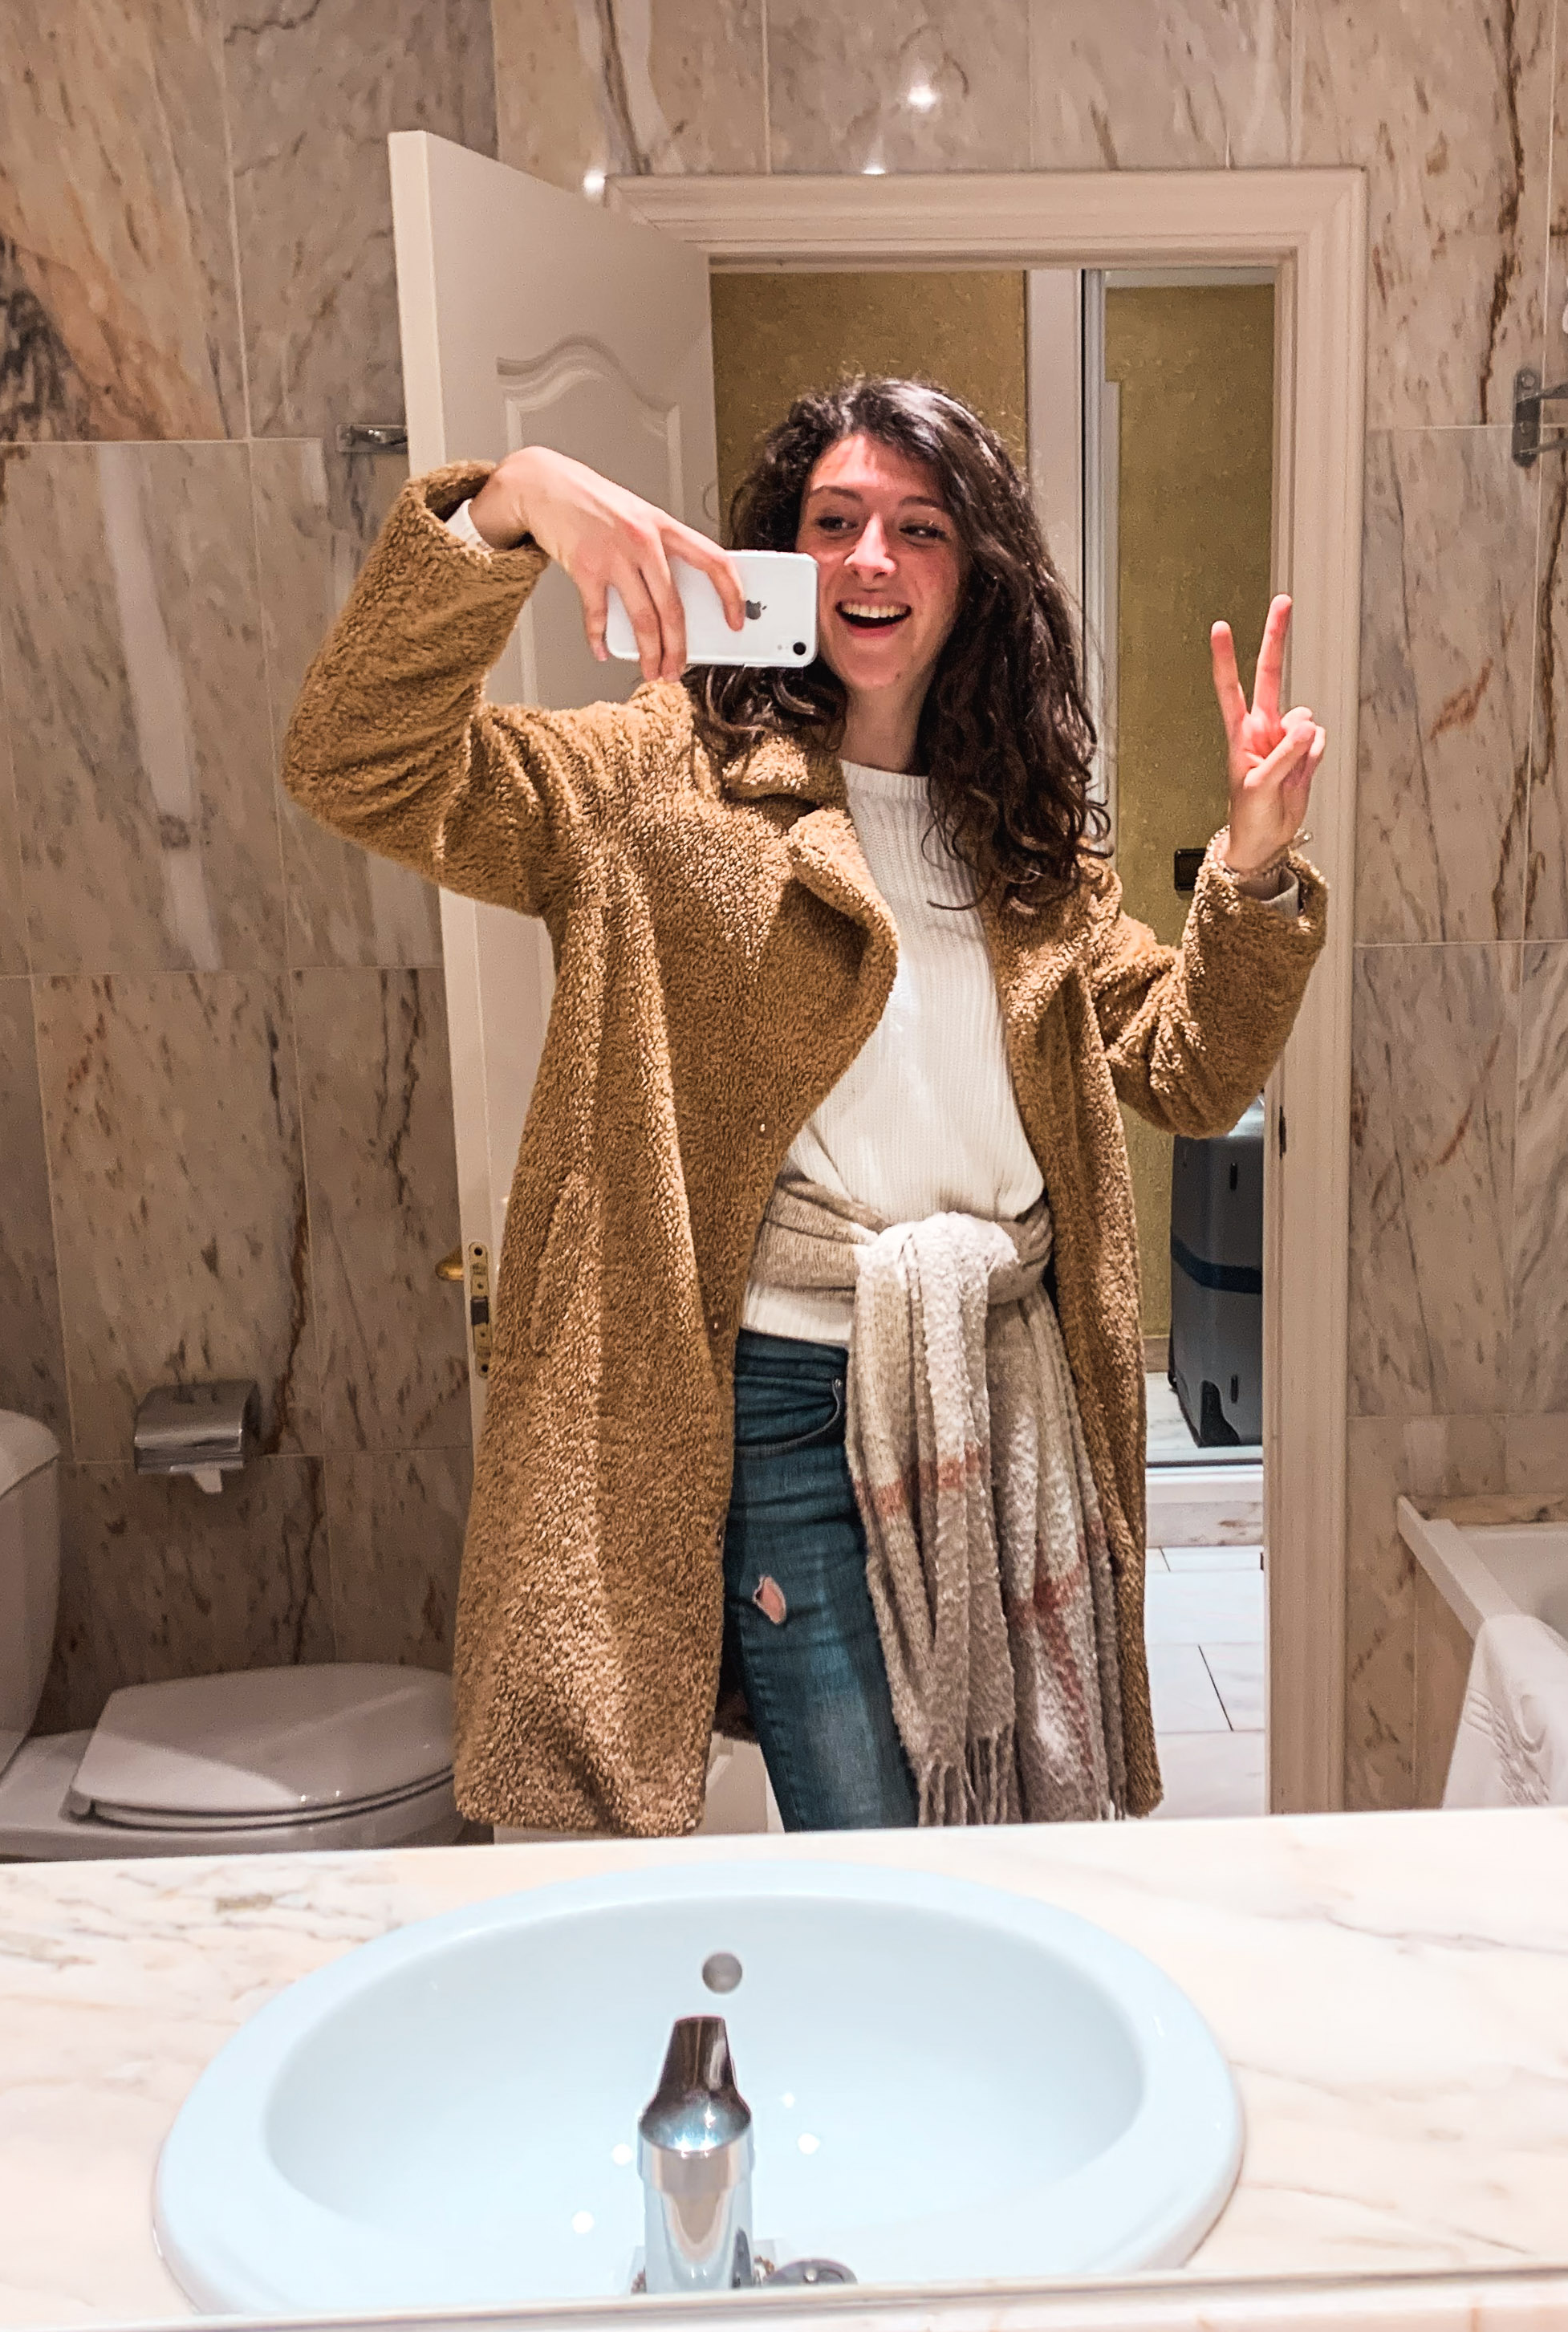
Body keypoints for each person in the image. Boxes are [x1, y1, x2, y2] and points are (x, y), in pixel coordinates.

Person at [285, 376, 1326, 1837]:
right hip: (787, 1404)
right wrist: (505, 507)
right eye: (834, 523)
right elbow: (357, 760)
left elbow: (1188, 1071)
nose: (871, 558)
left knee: (1010, 1845)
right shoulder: (658, 778)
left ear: (977, 576)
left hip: (1001, 1392)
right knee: (877, 1855)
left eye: (920, 527)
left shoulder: (1023, 841)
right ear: (780, 555)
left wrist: (1253, 873)